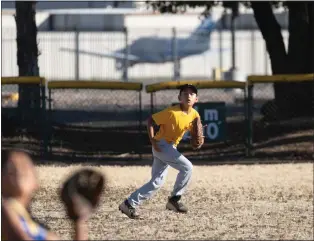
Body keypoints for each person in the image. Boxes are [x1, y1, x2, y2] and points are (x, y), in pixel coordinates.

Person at [119, 84, 202, 219]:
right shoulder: (171, 112)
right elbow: (151, 120)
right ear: (179, 97)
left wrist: (196, 138)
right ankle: (174, 200)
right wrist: (152, 140)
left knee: (157, 182)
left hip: (170, 147)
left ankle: (129, 204)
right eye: (185, 93)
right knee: (187, 167)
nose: (188, 96)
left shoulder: (194, 114)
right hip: (162, 145)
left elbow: (194, 134)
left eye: (191, 94)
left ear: (196, 99)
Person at [1, 148, 90, 240]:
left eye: (24, 165)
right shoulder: (5, 209)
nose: (18, 169)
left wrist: (79, 220)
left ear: (35, 182)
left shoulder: (36, 228)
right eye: (11, 167)